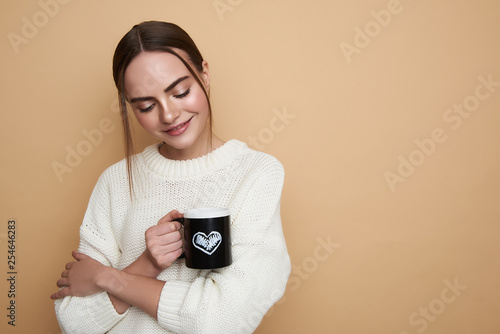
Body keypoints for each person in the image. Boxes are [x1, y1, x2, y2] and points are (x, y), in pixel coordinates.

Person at [51, 21, 291, 334]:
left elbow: (223, 320)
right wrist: (148, 264)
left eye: (180, 92)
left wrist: (106, 277)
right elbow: (75, 321)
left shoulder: (257, 174)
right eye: (146, 105)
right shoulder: (115, 182)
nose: (168, 115)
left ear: (204, 73)